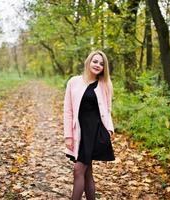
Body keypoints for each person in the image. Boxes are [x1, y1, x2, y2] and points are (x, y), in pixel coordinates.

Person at [63, 50, 115, 200]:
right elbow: (68, 110)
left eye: (101, 63)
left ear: (104, 68)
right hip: (79, 132)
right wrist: (68, 135)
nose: (98, 65)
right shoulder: (73, 82)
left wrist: (110, 130)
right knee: (87, 172)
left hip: (95, 133)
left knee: (78, 170)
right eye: (95, 61)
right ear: (88, 62)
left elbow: (108, 109)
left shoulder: (105, 84)